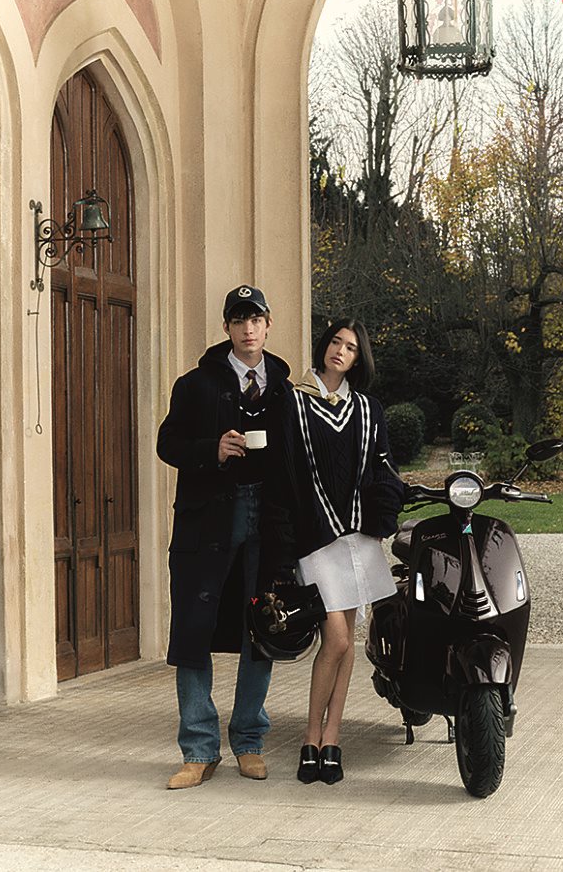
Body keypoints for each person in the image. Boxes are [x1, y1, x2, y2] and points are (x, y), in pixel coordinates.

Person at [156, 285, 292, 790]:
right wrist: (210, 449)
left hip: (267, 520)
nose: (248, 328)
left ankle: (249, 742)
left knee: (262, 627)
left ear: (268, 324)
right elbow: (167, 443)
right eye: (239, 320)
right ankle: (198, 750)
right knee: (193, 633)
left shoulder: (285, 387)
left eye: (256, 319)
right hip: (207, 522)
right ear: (227, 328)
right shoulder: (194, 385)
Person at [261, 319, 404, 785]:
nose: (340, 351)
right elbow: (281, 478)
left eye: (351, 347)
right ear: (324, 346)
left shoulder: (368, 409)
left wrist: (383, 519)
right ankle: (310, 736)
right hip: (314, 539)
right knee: (337, 640)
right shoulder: (293, 402)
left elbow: (384, 470)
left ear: (359, 358)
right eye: (336, 342)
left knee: (346, 647)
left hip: (359, 539)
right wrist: (282, 554)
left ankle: (331, 740)